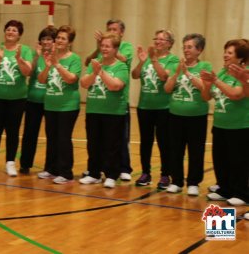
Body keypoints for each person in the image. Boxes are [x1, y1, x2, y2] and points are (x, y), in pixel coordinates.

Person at [200, 39, 248, 207]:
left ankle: (242, 193)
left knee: (239, 161)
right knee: (221, 160)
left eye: (230, 53)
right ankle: (225, 189)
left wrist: (215, 81)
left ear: (241, 58)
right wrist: (206, 84)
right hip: (220, 124)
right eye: (225, 51)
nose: (225, 55)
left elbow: (236, 94)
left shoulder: (245, 73)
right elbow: (206, 97)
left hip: (240, 125)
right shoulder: (222, 72)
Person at [85, 19, 134, 181]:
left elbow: (122, 60)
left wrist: (107, 46)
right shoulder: (100, 55)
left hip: (116, 104)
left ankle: (121, 169)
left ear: (121, 33)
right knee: (94, 142)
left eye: (114, 29)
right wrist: (99, 47)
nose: (111, 31)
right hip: (95, 106)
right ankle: (95, 172)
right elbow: (87, 68)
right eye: (109, 29)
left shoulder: (125, 49)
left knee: (117, 140)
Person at [0, 20, 33, 177]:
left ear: (19, 35)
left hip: (17, 98)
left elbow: (27, 72)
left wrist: (19, 60)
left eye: (14, 30)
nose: (11, 32)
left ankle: (10, 162)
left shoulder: (25, 50)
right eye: (8, 29)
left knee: (13, 130)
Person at [164, 33, 211, 196]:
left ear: (199, 50)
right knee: (175, 149)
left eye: (190, 47)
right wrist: (177, 73)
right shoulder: (177, 65)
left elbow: (205, 89)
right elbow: (167, 88)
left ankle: (193, 183)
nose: (186, 50)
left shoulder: (205, 66)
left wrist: (189, 74)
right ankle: (176, 181)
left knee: (196, 150)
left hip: (196, 117)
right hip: (175, 115)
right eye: (184, 47)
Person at [131, 29, 178, 188]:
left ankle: (165, 175)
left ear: (170, 44)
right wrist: (142, 61)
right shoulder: (148, 59)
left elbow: (164, 77)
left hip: (164, 108)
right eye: (155, 39)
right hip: (144, 106)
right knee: (145, 141)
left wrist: (153, 59)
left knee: (164, 142)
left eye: (161, 40)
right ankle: (145, 173)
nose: (157, 42)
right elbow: (135, 75)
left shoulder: (173, 60)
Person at [37, 25, 81, 184]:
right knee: (51, 137)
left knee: (63, 138)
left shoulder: (74, 59)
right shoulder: (49, 56)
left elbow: (71, 79)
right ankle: (51, 168)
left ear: (70, 42)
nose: (59, 41)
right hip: (50, 104)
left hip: (67, 105)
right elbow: (41, 80)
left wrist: (57, 65)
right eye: (58, 38)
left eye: (63, 38)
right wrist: (48, 65)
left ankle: (66, 172)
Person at [19, 26, 57, 175]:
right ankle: (25, 164)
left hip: (51, 101)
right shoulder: (35, 55)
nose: (46, 42)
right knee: (30, 133)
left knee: (51, 135)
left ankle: (50, 166)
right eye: (43, 39)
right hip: (33, 99)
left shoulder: (57, 56)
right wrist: (37, 55)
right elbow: (29, 72)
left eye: (49, 39)